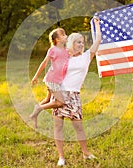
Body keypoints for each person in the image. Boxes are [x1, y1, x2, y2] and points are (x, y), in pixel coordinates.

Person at [52, 18, 101, 166]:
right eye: (77, 42)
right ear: (71, 44)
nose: (80, 44)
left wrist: (97, 25)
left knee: (78, 126)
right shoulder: (64, 56)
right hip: (60, 92)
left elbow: (98, 41)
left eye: (82, 42)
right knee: (58, 127)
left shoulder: (86, 57)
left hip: (73, 95)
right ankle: (61, 157)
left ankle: (86, 153)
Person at [30, 27, 69, 128]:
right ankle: (39, 108)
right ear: (57, 39)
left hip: (58, 81)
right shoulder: (53, 50)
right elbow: (44, 63)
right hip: (52, 80)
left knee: (47, 100)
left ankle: (35, 113)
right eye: (63, 34)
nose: (66, 36)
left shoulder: (66, 50)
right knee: (60, 102)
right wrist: (36, 76)